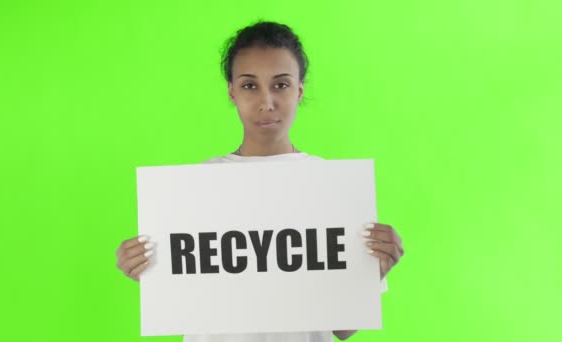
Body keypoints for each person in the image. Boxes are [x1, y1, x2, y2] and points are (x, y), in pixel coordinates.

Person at [115, 20, 405, 342]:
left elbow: (342, 330)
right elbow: (187, 300)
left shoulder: (332, 187)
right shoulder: (195, 188)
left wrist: (375, 270)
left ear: (299, 89)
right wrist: (149, 271)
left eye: (280, 84)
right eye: (250, 86)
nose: (266, 101)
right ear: (232, 91)